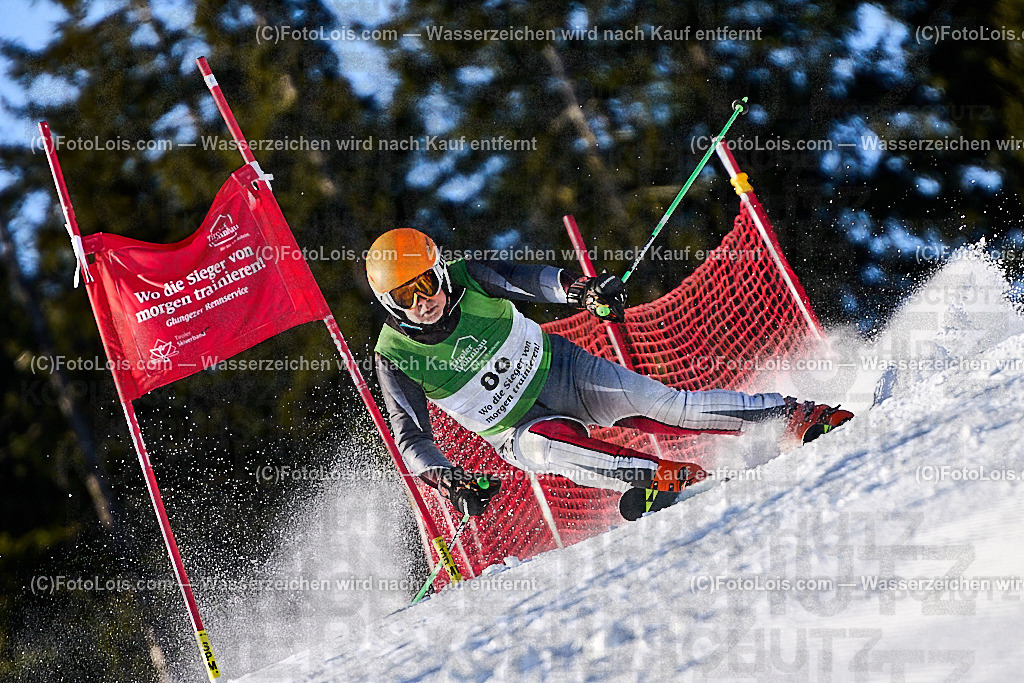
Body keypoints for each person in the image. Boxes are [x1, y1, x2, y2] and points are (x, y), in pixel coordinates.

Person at [367, 228, 852, 520]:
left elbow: (529, 280)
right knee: (548, 448)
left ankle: (792, 415)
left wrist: (583, 290)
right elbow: (411, 437)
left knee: (667, 406)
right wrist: (446, 480)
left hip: (562, 371)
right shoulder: (394, 355)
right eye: (405, 297)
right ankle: (664, 478)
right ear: (388, 304)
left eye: (426, 283)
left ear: (440, 272)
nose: (423, 301)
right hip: (514, 429)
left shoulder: (469, 275)